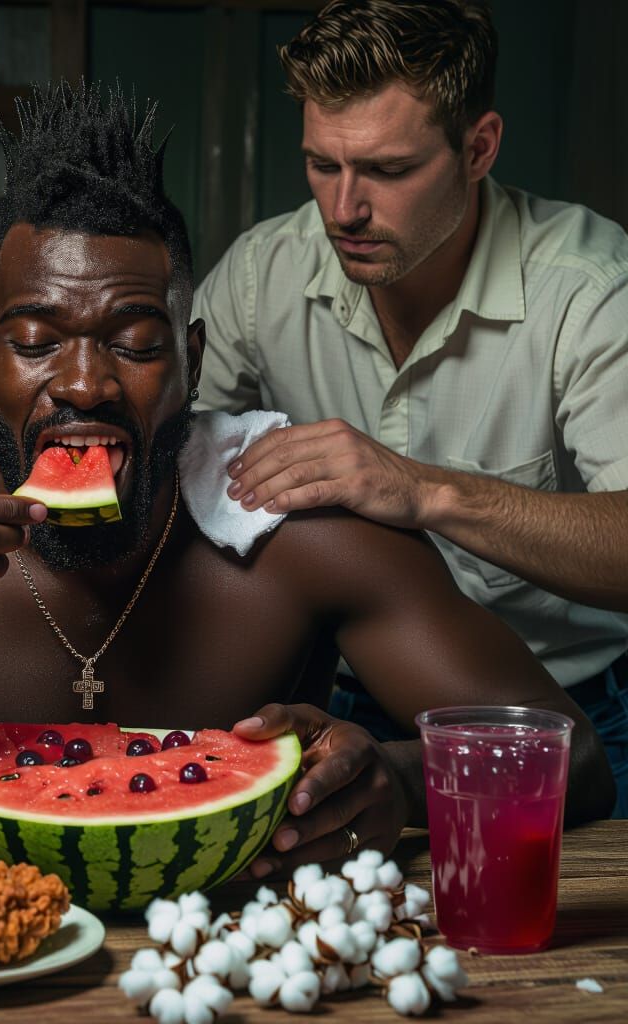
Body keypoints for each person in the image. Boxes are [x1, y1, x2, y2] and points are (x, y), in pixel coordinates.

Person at [0, 83, 613, 875]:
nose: (84, 384)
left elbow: (577, 760)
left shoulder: (300, 534)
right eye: (35, 341)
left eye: (134, 342)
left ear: (191, 357)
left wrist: (392, 775)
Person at [192, 0, 628, 814]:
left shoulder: (591, 290)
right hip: (339, 713)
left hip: (581, 721)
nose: (343, 209)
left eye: (388, 171)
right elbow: (169, 470)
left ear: (479, 148)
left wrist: (423, 490)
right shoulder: (262, 275)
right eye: (322, 164)